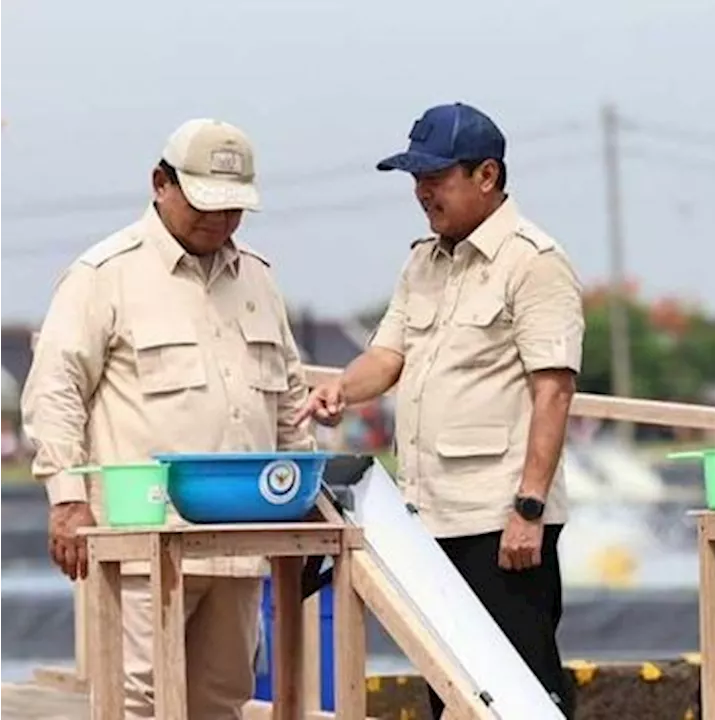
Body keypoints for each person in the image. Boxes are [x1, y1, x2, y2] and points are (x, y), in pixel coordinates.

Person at [296, 102, 584, 718]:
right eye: (416, 179)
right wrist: (342, 389)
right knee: (449, 691)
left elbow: (553, 390)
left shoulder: (534, 262)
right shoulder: (422, 262)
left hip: (501, 522)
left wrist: (528, 508)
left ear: (486, 175)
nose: (423, 192)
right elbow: (388, 353)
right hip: (427, 519)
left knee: (521, 693)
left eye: (436, 177)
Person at [21, 118, 315, 719]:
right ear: (161, 183)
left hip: (239, 542)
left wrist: (301, 506)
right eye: (206, 203)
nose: (219, 220)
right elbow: (55, 389)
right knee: (139, 703)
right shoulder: (105, 276)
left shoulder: (257, 276)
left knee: (223, 700)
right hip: (144, 542)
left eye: (234, 208)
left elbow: (287, 396)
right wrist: (67, 499)